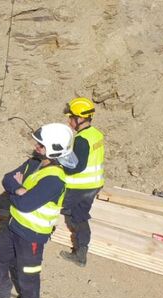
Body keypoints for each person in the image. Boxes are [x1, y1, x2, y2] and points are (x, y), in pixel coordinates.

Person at [0, 123, 76, 298]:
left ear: (53, 150)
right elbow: (8, 179)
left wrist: (18, 190)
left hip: (32, 235)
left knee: (27, 275)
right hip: (14, 225)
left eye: (41, 145)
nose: (36, 147)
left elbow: (25, 204)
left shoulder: (54, 179)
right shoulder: (35, 162)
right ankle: (0, 293)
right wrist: (18, 188)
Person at [59, 97, 106, 267]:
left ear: (80, 119)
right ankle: (81, 253)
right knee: (80, 216)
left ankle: (40, 234)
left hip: (79, 186)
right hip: (94, 184)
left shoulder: (81, 140)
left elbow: (75, 167)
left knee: (53, 204)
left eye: (71, 117)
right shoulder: (96, 134)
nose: (69, 120)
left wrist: (60, 162)